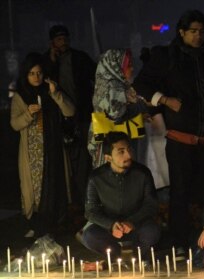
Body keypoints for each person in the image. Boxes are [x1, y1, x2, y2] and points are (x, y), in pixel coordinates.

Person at [133, 10, 204, 254]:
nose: (198, 36)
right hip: (181, 137)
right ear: (181, 32)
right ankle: (180, 242)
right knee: (181, 191)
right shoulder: (167, 55)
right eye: (193, 31)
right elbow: (141, 84)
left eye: (201, 31)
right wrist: (165, 100)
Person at [11, 53, 75, 239]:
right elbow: (15, 124)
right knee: (35, 190)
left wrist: (56, 94)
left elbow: (70, 111)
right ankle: (36, 225)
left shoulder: (51, 90)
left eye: (39, 73)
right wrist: (28, 114)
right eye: (32, 73)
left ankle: (56, 225)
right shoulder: (20, 96)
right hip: (32, 153)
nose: (36, 77)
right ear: (26, 75)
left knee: (55, 184)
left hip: (53, 148)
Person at [82, 132, 160, 263]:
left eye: (129, 149)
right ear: (108, 157)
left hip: (136, 225)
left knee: (152, 232)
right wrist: (111, 225)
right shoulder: (96, 178)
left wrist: (132, 222)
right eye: (121, 152)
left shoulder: (142, 173)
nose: (128, 155)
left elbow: (151, 205)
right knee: (89, 236)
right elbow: (90, 211)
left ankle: (135, 256)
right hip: (110, 229)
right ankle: (118, 257)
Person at [42, 24, 96, 205]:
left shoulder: (80, 58)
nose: (63, 42)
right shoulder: (47, 61)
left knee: (82, 162)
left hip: (80, 117)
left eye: (65, 38)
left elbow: (94, 78)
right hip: (57, 120)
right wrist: (51, 60)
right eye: (59, 39)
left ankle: (84, 204)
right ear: (52, 42)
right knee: (62, 164)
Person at [90, 48, 147, 168]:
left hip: (118, 145)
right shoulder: (112, 87)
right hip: (112, 146)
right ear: (116, 67)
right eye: (128, 65)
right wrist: (136, 104)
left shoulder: (115, 84)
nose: (132, 69)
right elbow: (115, 116)